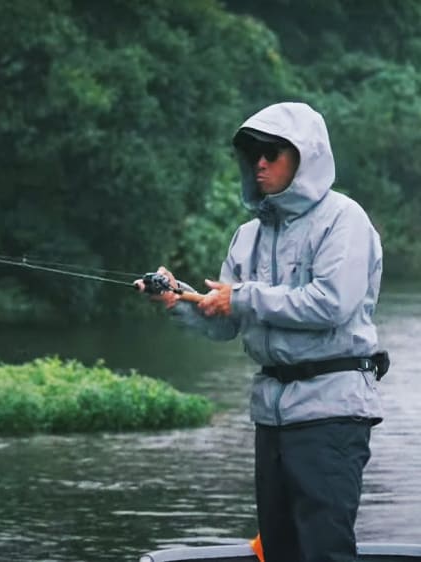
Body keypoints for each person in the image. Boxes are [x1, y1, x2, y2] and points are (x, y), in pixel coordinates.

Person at [137, 102, 386, 562]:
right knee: (280, 549)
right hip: (271, 419)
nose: (261, 163)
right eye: (253, 153)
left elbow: (332, 303)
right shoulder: (246, 236)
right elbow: (226, 325)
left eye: (272, 152)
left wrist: (243, 296)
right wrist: (179, 300)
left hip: (331, 414)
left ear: (304, 155)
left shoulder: (343, 220)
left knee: (324, 549)